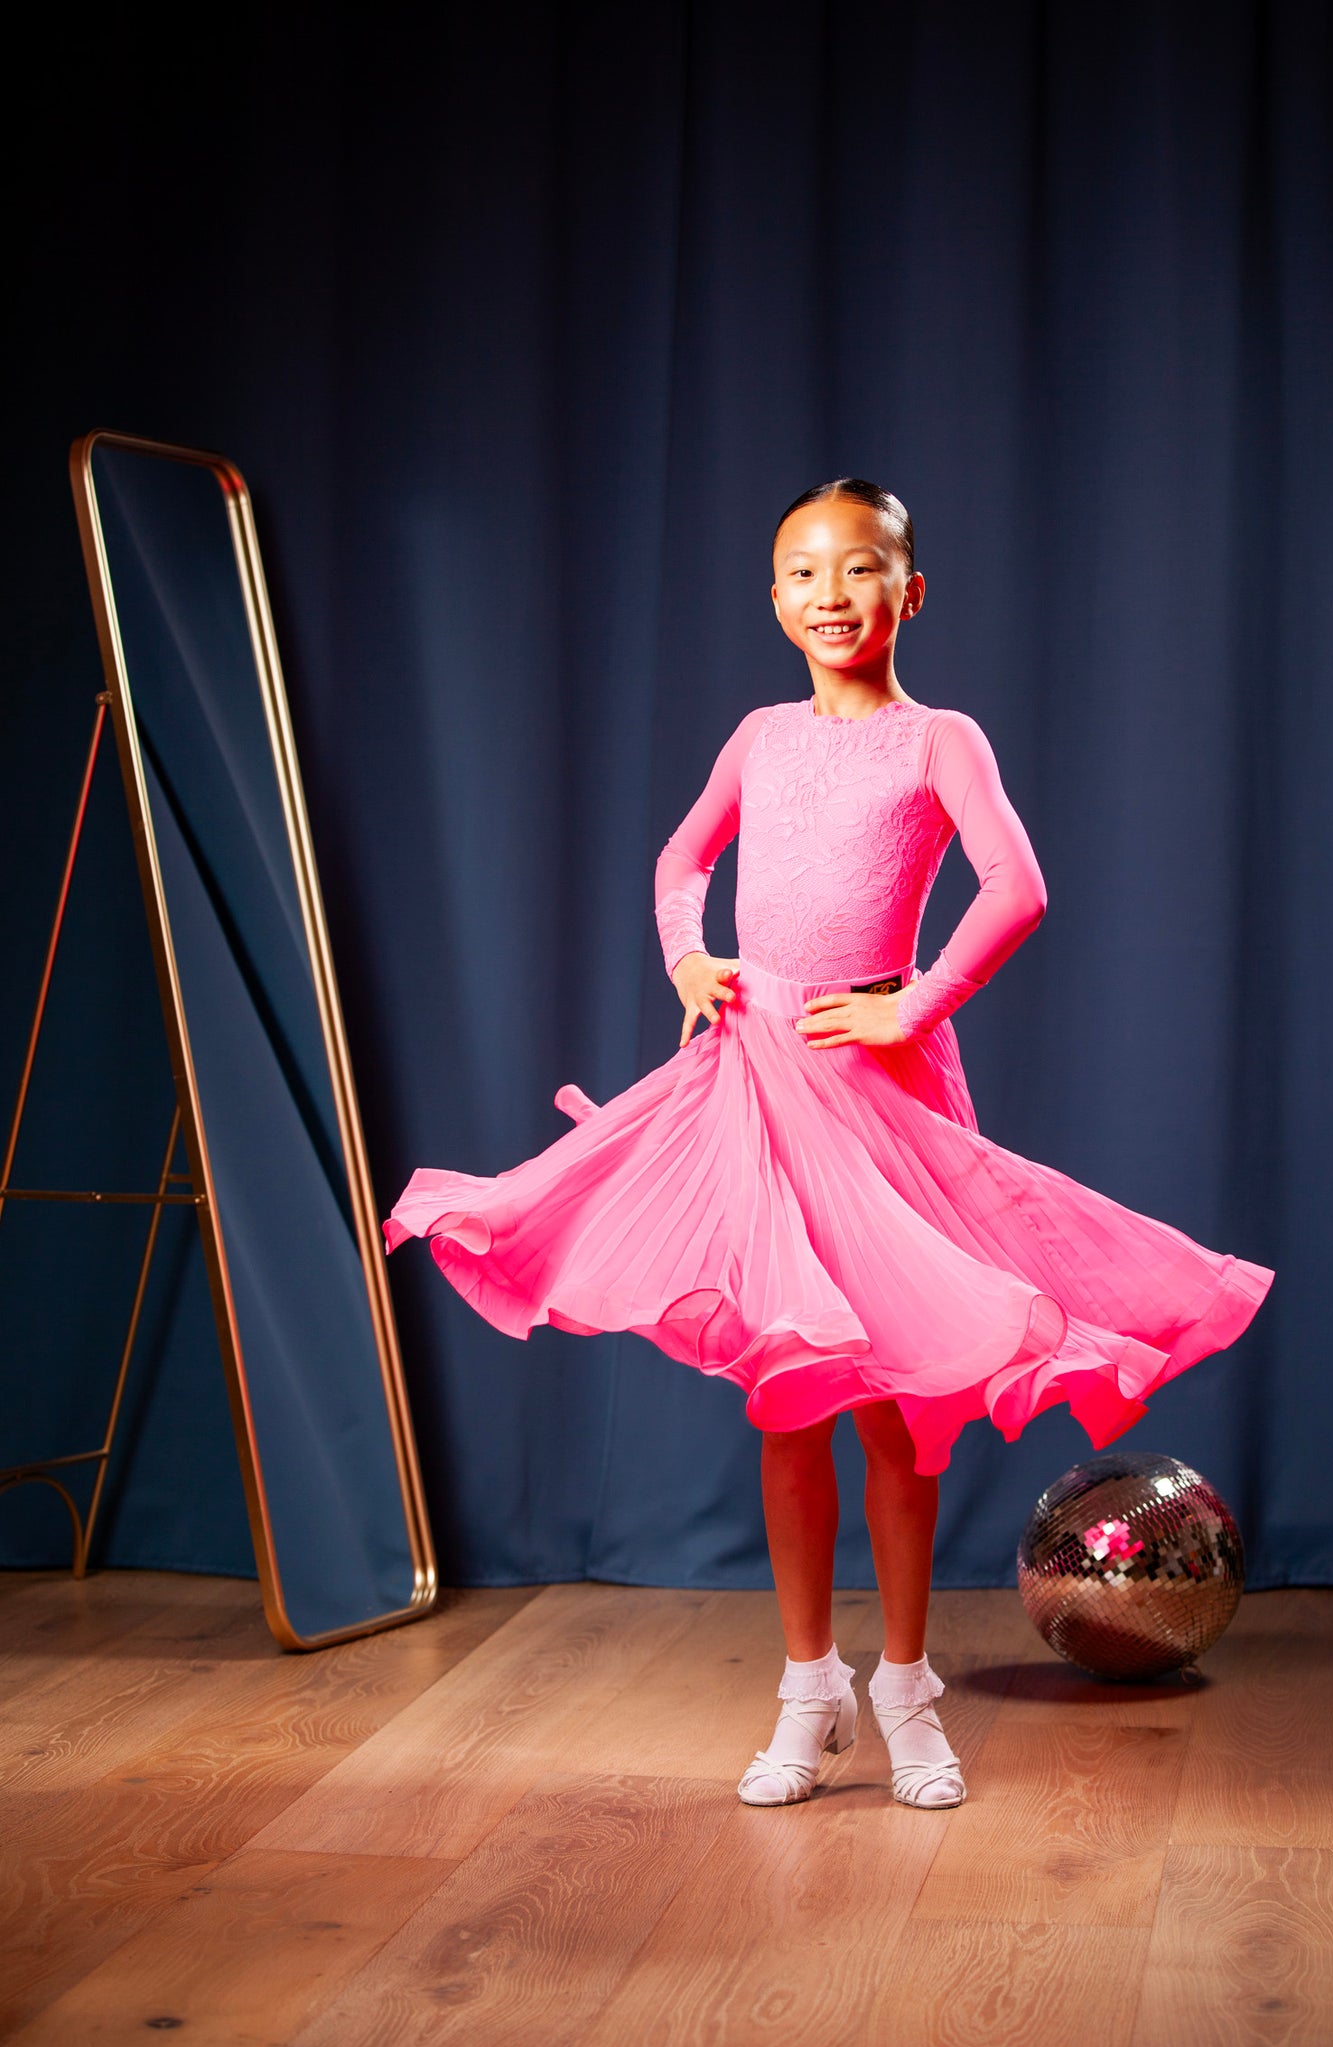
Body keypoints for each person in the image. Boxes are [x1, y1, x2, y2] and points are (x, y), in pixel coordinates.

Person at [386, 478, 1273, 1813]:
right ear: (774, 599)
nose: (831, 594)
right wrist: (690, 963)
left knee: (897, 1413)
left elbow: (1016, 887)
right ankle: (809, 1686)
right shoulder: (756, 738)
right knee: (785, 1394)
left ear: (907, 592)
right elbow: (681, 862)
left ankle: (906, 1687)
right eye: (803, 572)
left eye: (859, 569)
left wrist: (912, 1002)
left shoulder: (938, 740)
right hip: (753, 1082)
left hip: (883, 1093)